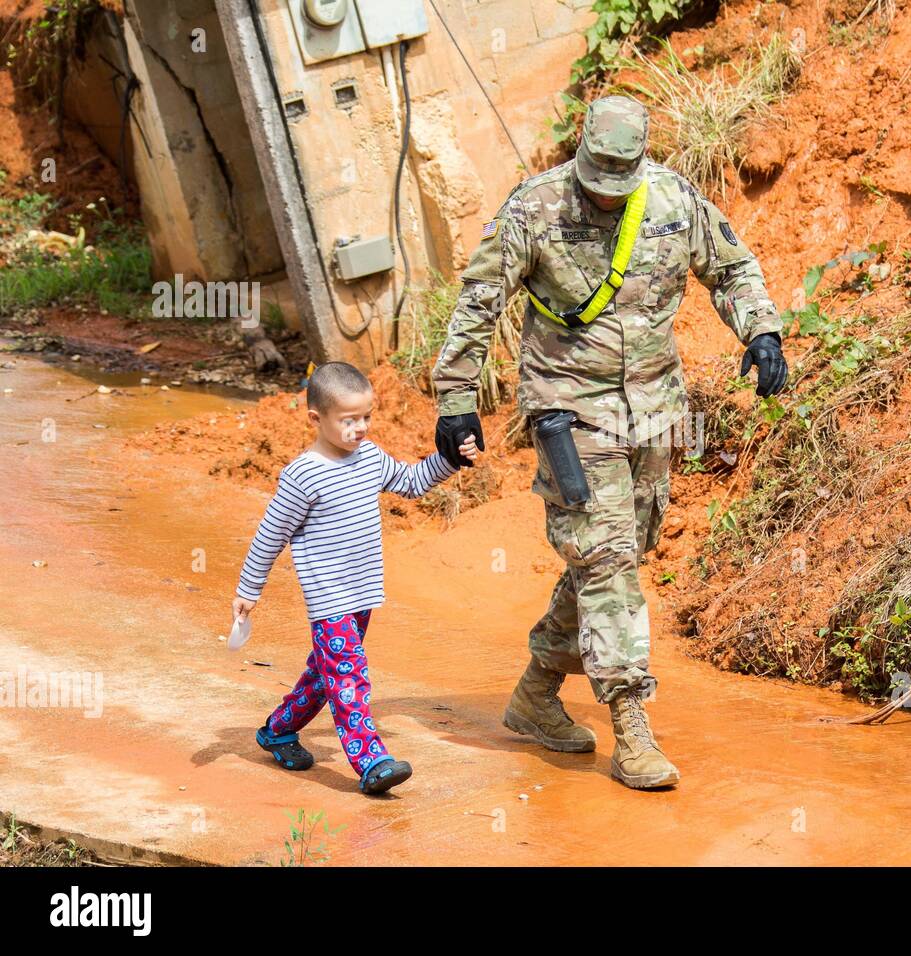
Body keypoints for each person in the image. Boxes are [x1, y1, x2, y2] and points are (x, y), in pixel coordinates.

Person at [431, 95, 788, 789]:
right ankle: (631, 728)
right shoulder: (535, 209)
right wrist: (455, 398)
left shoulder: (672, 201)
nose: (604, 193)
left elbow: (734, 268)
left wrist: (761, 329)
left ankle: (536, 692)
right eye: (595, 176)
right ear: (582, 151)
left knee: (625, 546)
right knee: (607, 557)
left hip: (654, 412)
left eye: (617, 180)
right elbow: (478, 301)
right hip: (569, 412)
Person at [232, 361, 478, 795]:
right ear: (317, 418)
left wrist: (449, 458)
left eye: (366, 417)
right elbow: (270, 535)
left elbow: (410, 481)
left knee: (324, 675)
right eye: (349, 420)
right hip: (329, 599)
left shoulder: (369, 457)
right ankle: (371, 761)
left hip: (363, 593)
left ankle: (277, 730)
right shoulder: (302, 475)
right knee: (349, 677)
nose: (360, 428)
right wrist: (248, 590)